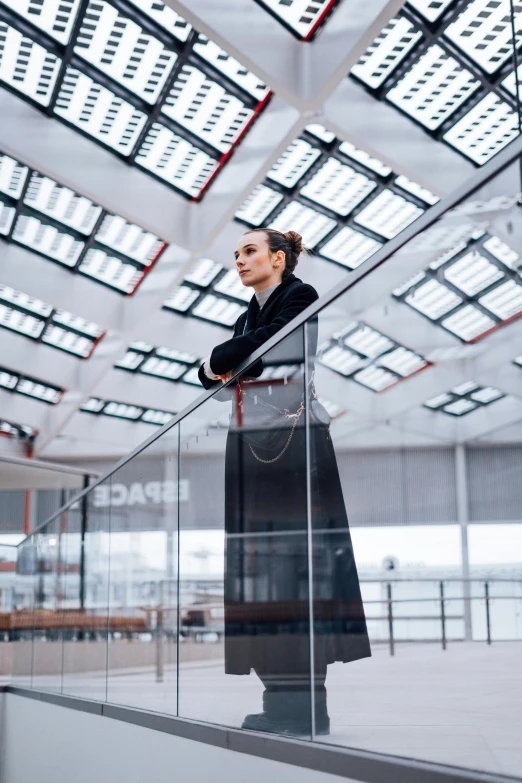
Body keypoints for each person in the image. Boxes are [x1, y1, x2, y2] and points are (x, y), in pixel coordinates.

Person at [198, 229, 370, 737]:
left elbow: (265, 356)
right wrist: (223, 361)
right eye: (235, 253)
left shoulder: (300, 295)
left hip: (293, 446)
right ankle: (281, 701)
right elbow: (213, 381)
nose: (239, 260)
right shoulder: (248, 316)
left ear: (278, 258)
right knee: (259, 569)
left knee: (297, 565)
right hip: (255, 448)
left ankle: (303, 706)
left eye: (249, 251)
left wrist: (221, 359)